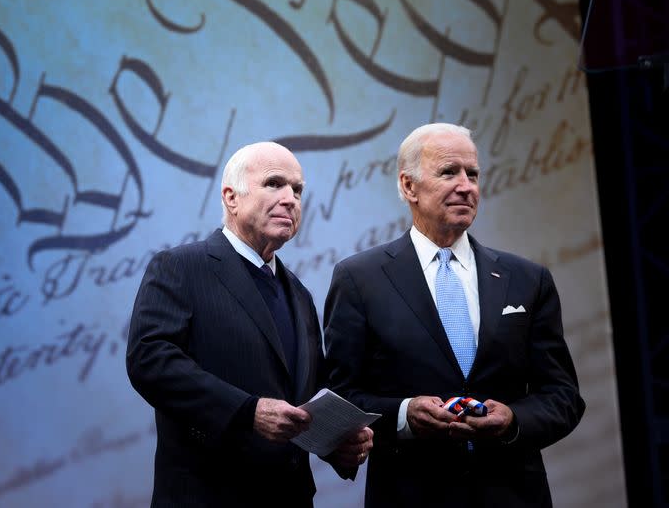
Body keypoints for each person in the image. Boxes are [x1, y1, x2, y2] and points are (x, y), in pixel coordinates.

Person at [323, 123, 585, 507]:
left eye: (473, 174)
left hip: (512, 494)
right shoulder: (359, 279)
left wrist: (513, 420)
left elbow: (563, 396)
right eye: (449, 172)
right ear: (409, 187)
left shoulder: (527, 279)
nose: (466, 186)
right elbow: (341, 396)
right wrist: (404, 414)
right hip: (411, 493)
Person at [127, 141, 373, 508]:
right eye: (274, 183)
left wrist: (337, 441)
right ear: (231, 198)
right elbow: (150, 361)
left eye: (298, 189)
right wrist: (246, 411)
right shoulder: (180, 267)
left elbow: (310, 394)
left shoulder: (300, 294)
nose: (290, 198)